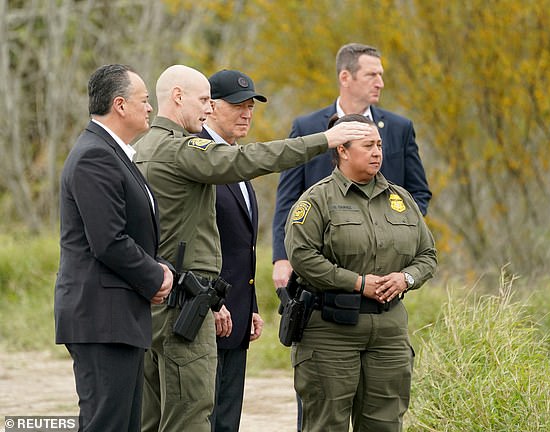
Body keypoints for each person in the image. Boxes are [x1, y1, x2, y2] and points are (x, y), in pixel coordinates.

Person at [133, 64, 373, 432]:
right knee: (190, 413)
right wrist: (323, 140)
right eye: (203, 100)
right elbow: (247, 160)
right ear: (178, 97)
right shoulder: (180, 148)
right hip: (183, 303)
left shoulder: (142, 147)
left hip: (162, 298)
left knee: (154, 416)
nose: (207, 108)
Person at [284, 114, 437, 431]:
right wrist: (356, 283)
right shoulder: (317, 200)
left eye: (379, 145)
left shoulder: (401, 199)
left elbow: (427, 255)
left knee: (384, 422)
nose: (377, 152)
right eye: (368, 145)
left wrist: (404, 278)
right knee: (328, 424)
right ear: (342, 149)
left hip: (388, 331)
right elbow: (302, 257)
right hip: (331, 331)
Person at [54, 64, 173, 432]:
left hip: (117, 316)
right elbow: (108, 240)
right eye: (144, 100)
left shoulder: (115, 152)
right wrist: (155, 277)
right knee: (107, 423)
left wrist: (159, 268)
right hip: (101, 317)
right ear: (120, 105)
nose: (150, 108)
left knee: (122, 423)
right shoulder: (96, 155)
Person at [272, 42, 433, 293]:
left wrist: (399, 236)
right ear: (345, 77)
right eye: (372, 75)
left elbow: (418, 193)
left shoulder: (399, 128)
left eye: (381, 75)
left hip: (384, 273)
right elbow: (288, 198)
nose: (380, 82)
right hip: (321, 266)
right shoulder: (307, 127)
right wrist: (282, 257)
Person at [198, 69, 267, 431]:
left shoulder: (236, 160)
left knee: (228, 420)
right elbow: (195, 239)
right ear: (209, 107)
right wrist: (211, 303)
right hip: (208, 312)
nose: (247, 113)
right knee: (203, 417)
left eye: (251, 106)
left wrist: (250, 305)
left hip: (237, 315)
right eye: (237, 105)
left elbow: (242, 246)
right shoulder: (199, 157)